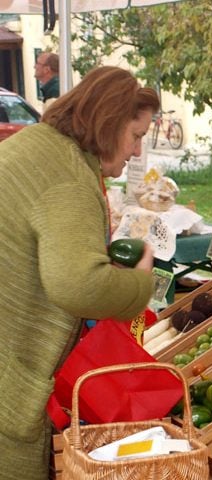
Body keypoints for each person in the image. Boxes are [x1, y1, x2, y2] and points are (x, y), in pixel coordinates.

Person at [0, 66, 158, 479]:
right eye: (136, 135)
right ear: (109, 123)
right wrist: (139, 283)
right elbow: (78, 284)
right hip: (8, 379)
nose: (137, 151)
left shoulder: (39, 144)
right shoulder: (69, 178)